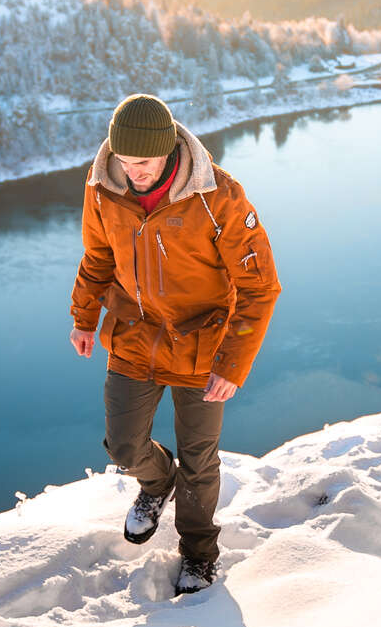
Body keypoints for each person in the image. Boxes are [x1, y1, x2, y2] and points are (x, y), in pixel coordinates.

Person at [69, 93, 281, 595]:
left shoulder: (218, 196)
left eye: (142, 162)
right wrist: (83, 316)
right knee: (123, 445)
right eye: (123, 161)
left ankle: (199, 554)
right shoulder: (102, 188)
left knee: (200, 462)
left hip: (202, 346)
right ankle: (155, 483)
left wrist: (232, 363)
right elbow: (97, 255)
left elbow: (259, 286)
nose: (133, 172)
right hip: (133, 335)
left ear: (167, 151)